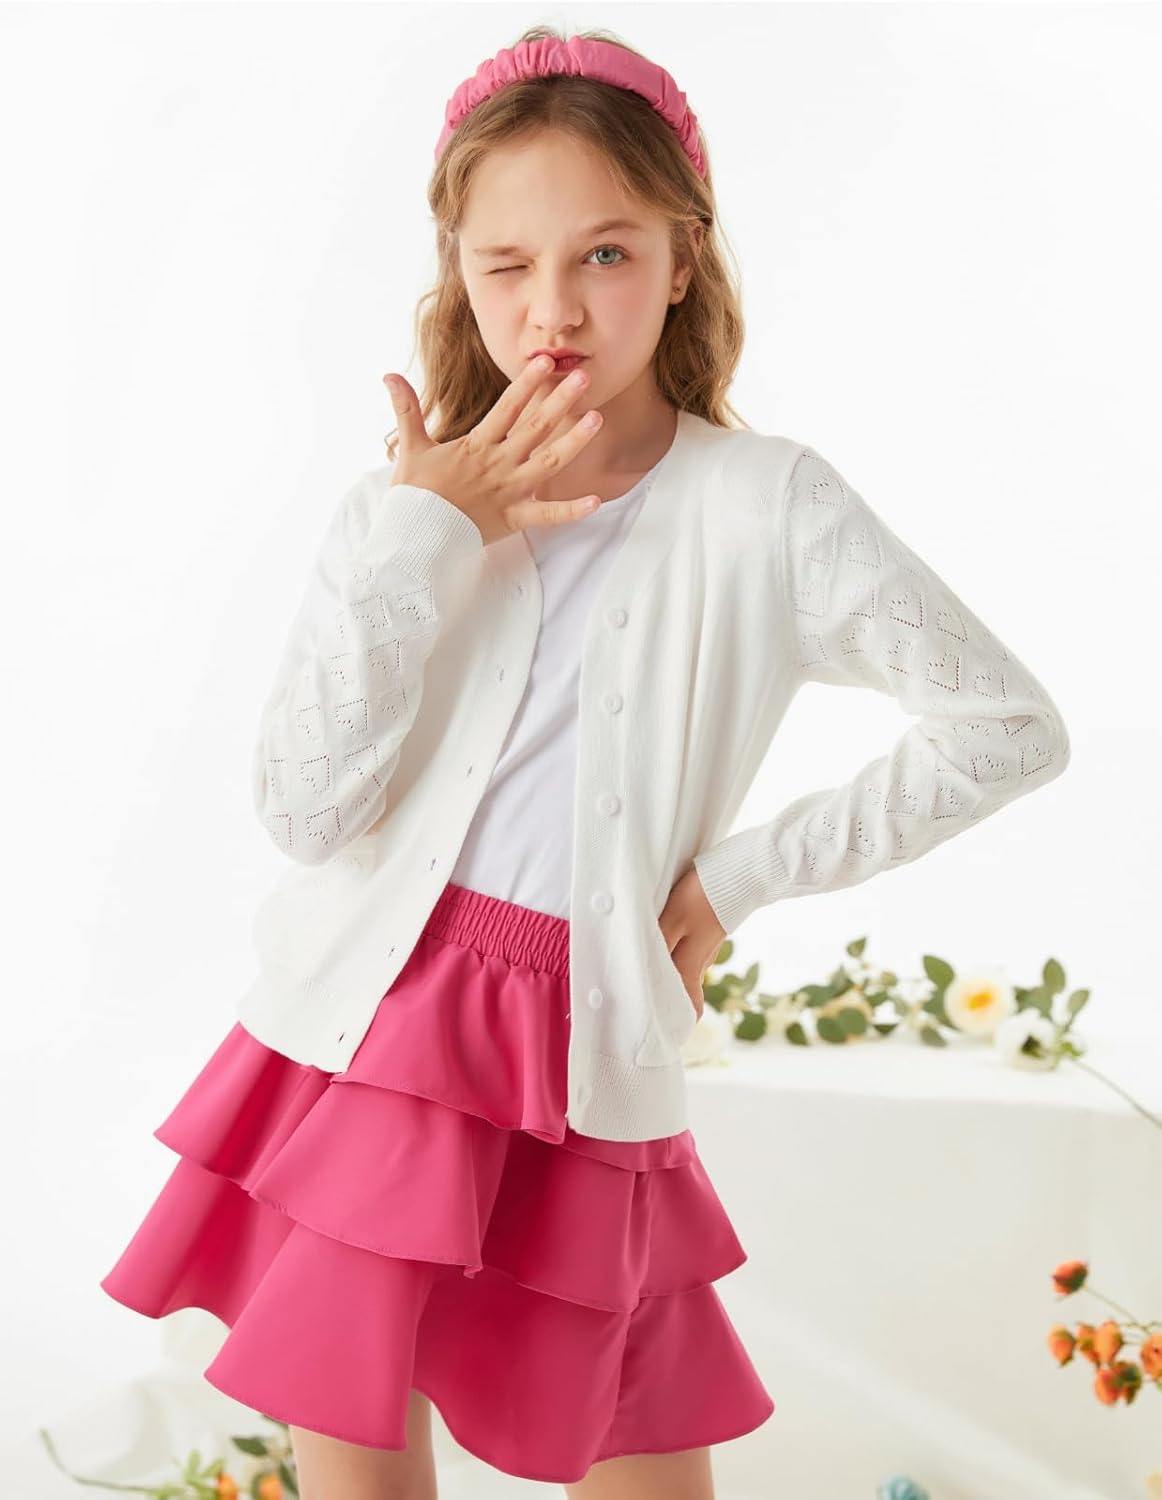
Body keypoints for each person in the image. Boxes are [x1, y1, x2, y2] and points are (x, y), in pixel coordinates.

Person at [99, 24, 1071, 1500]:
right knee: (355, 1443)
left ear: (682, 260)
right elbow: (305, 810)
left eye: (604, 254)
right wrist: (429, 534)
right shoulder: (401, 508)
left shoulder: (765, 507)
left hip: (585, 1033)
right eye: (507, 264)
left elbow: (1005, 728)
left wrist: (738, 879)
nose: (551, 307)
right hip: (370, 1022)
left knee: (630, 1440)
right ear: (457, 273)